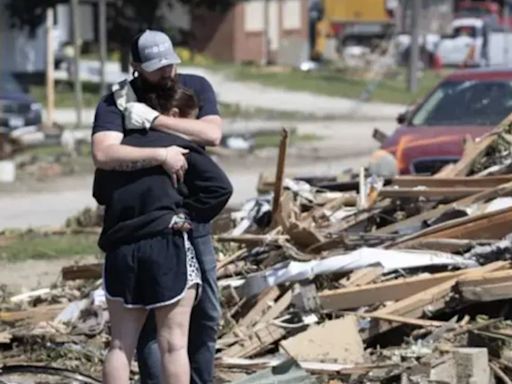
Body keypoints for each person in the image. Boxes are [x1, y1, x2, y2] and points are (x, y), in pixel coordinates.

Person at [91, 29, 224, 384]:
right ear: (135, 66)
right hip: (148, 225)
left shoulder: (194, 86)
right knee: (162, 337)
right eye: (155, 67)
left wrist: (153, 121)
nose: (166, 72)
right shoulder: (115, 101)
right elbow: (103, 154)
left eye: (169, 63)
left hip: (183, 219)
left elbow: (212, 134)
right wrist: (160, 154)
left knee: (206, 312)